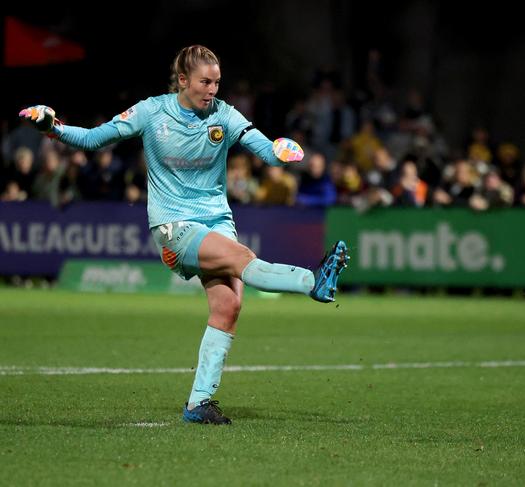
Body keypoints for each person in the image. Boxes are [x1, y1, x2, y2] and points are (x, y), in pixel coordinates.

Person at [19, 45, 349, 425]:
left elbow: (265, 149)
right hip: (174, 226)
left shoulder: (224, 114)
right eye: (205, 82)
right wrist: (52, 127)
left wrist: (282, 152)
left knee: (228, 307)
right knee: (243, 260)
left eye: (217, 82)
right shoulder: (151, 111)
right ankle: (312, 280)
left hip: (217, 220)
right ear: (182, 80)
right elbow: (94, 139)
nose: (212, 89)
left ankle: (198, 405)